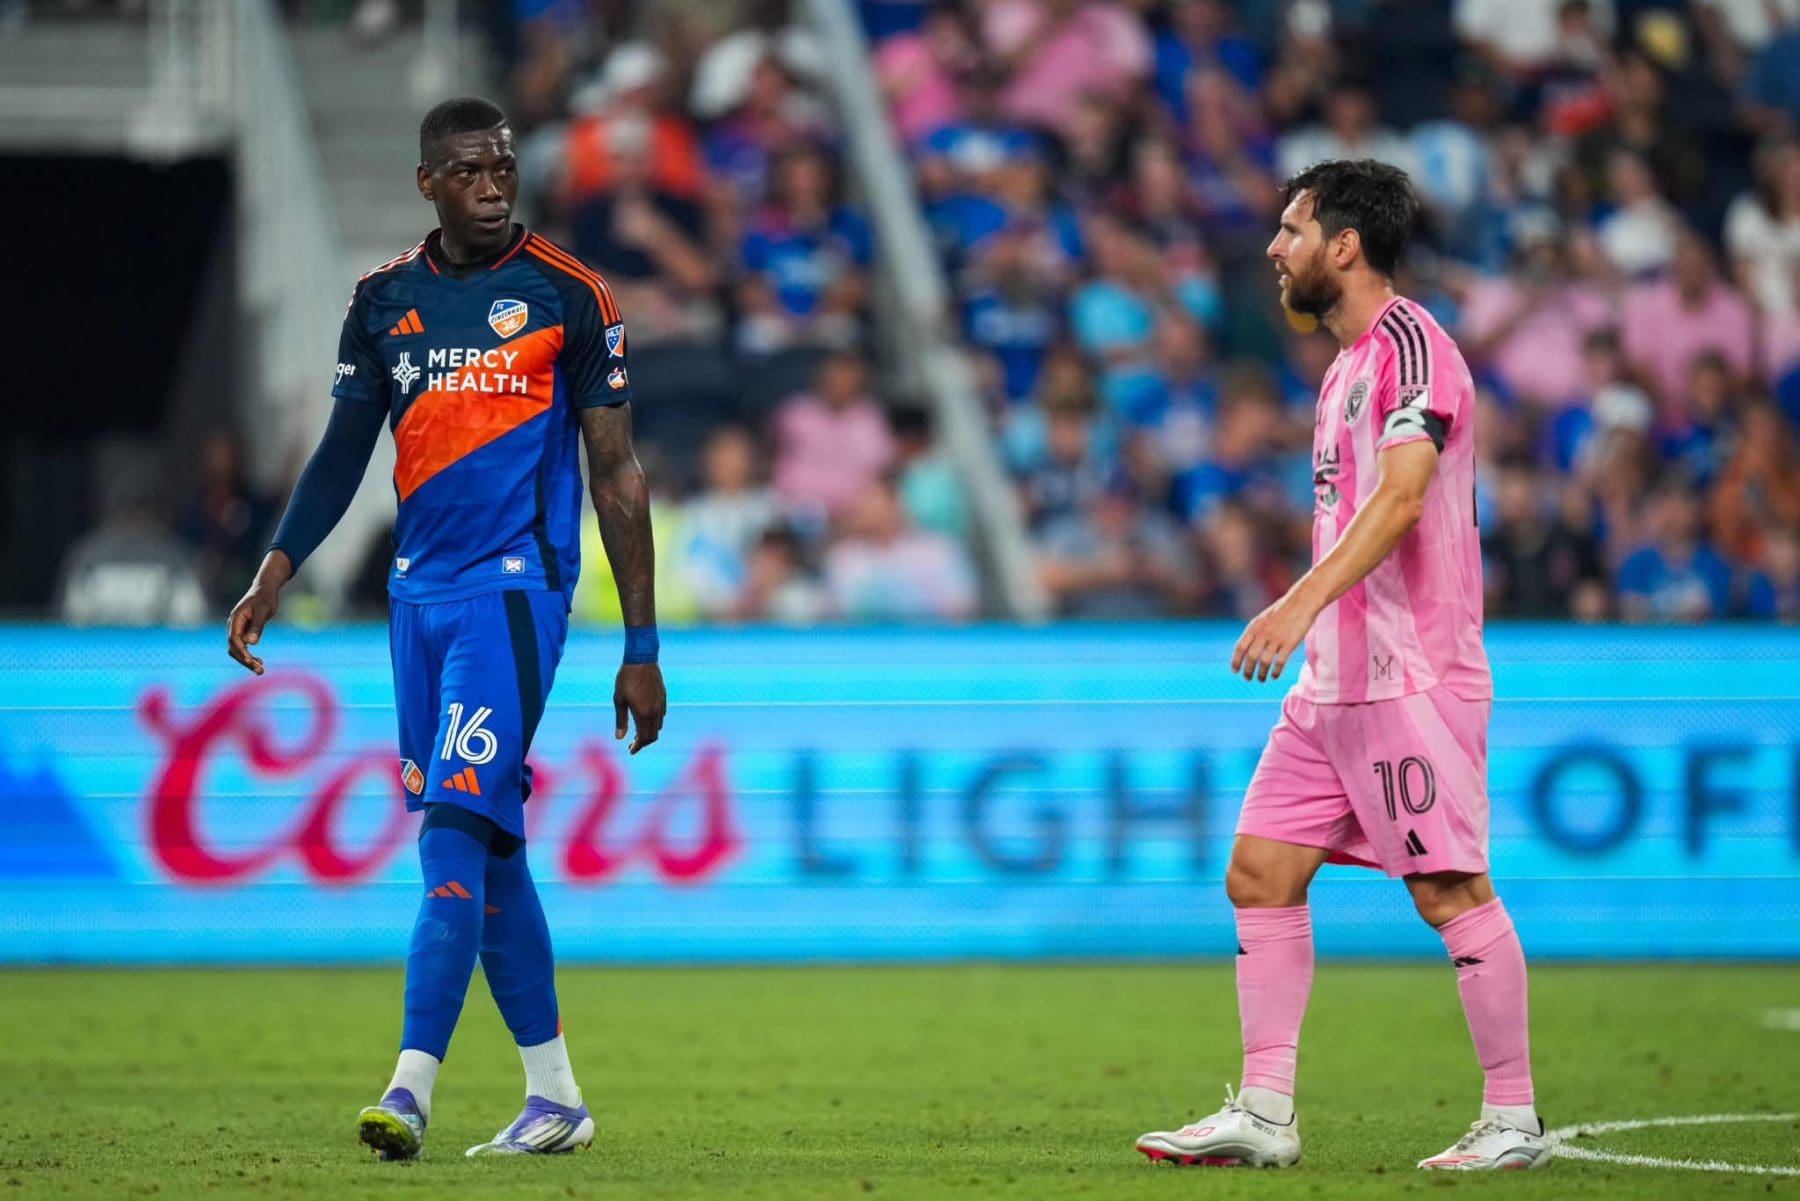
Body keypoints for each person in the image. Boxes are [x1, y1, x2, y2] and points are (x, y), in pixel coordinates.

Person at [223, 97, 667, 1161]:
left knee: (451, 834)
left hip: (515, 596)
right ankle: (554, 1097)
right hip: (415, 602)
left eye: (504, 167)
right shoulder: (384, 302)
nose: (493, 185)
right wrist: (275, 571)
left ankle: (410, 1086)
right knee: (494, 844)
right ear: (429, 182)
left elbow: (617, 473)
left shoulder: (570, 294)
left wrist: (642, 648)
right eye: (469, 171)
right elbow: (341, 455)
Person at [1135, 160, 1548, 1172]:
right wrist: (1316, 625)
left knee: (1450, 886)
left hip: (1410, 676)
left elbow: (1404, 497)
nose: (1276, 249)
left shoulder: (1415, 351)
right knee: (1260, 870)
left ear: (1344, 245)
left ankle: (1514, 1118)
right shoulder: (1342, 370)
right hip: (1333, 684)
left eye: (1291, 229)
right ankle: (1266, 1109)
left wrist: (1296, 598)